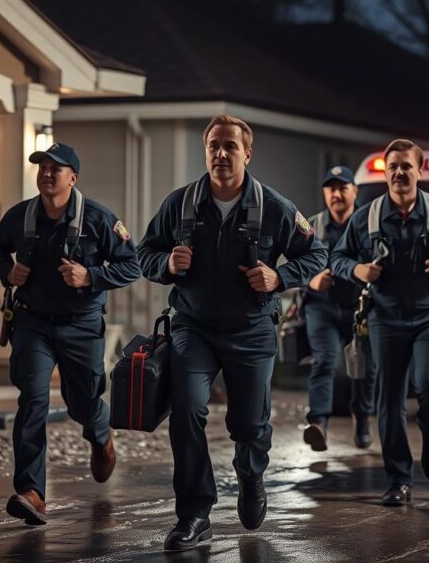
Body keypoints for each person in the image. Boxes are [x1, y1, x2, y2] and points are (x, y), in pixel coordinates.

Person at [138, 115, 327, 551]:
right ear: (205, 151)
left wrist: (279, 277)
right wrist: (166, 264)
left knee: (249, 424)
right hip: (193, 327)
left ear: (247, 153)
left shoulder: (274, 206)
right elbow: (144, 252)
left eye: (230, 146)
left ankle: (251, 473)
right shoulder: (180, 204)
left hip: (252, 329)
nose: (221, 154)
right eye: (214, 146)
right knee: (186, 410)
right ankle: (194, 514)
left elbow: (316, 253)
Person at [330, 139, 429, 506]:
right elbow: (337, 257)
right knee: (388, 400)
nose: (399, 172)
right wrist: (357, 269)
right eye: (393, 167)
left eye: (406, 166)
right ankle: (399, 480)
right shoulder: (366, 217)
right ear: (386, 172)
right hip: (384, 319)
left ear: (420, 170)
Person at [0, 142, 140, 525]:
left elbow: (132, 265)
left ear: (73, 177)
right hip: (33, 323)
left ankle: (101, 436)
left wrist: (91, 276)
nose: (47, 174)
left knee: (82, 404)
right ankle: (32, 493)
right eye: (42, 167)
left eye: (56, 168)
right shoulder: (20, 216)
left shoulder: (99, 219)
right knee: (32, 400)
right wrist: (7, 271)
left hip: (81, 325)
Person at [302, 166, 377, 452]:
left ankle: (362, 417)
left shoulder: (368, 226)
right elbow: (296, 266)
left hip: (362, 307)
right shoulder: (311, 227)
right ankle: (318, 424)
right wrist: (311, 281)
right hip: (322, 307)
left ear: (354, 191)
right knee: (324, 361)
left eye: (342, 188)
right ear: (325, 193)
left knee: (365, 367)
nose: (336, 194)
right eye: (331, 189)